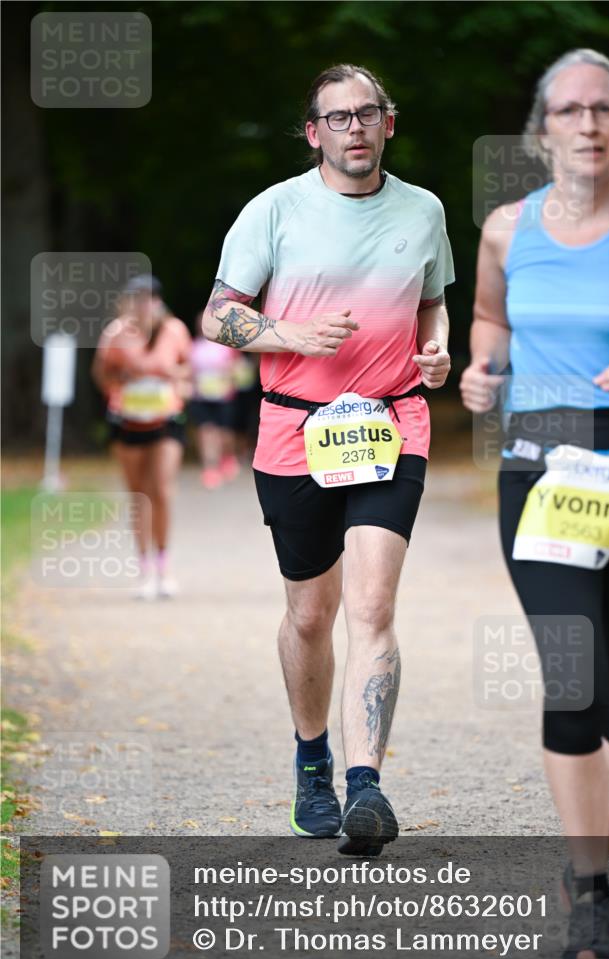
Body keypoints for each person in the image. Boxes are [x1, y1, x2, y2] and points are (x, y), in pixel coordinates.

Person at [202, 64, 454, 856]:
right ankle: (312, 761)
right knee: (312, 615)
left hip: (390, 423)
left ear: (388, 122)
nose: (354, 128)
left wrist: (437, 349)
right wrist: (291, 336)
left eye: (367, 113)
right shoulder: (273, 209)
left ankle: (364, 785)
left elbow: (431, 302)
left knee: (372, 607)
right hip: (294, 429)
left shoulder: (423, 209)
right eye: (337, 117)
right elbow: (217, 316)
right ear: (314, 132)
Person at [460, 49, 609, 959]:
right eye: (568, 110)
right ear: (540, 130)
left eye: (602, 109)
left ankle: (590, 865)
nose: (586, 124)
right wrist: (482, 369)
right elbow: (490, 319)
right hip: (543, 477)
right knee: (573, 674)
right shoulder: (506, 229)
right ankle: (590, 892)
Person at [92, 274, 192, 598]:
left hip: (166, 419)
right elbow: (101, 374)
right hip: (129, 421)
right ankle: (144, 567)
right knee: (139, 495)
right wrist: (124, 378)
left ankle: (164, 566)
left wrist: (172, 377)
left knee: (161, 488)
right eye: (136, 298)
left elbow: (188, 371)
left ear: (158, 301)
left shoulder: (174, 330)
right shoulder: (116, 333)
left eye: (149, 298)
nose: (143, 304)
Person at [189, 310, 241, 489]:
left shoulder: (226, 345)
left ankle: (228, 456)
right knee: (206, 431)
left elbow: (236, 369)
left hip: (223, 396)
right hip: (201, 396)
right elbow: (188, 370)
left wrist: (228, 376)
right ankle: (210, 469)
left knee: (224, 434)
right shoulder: (193, 346)